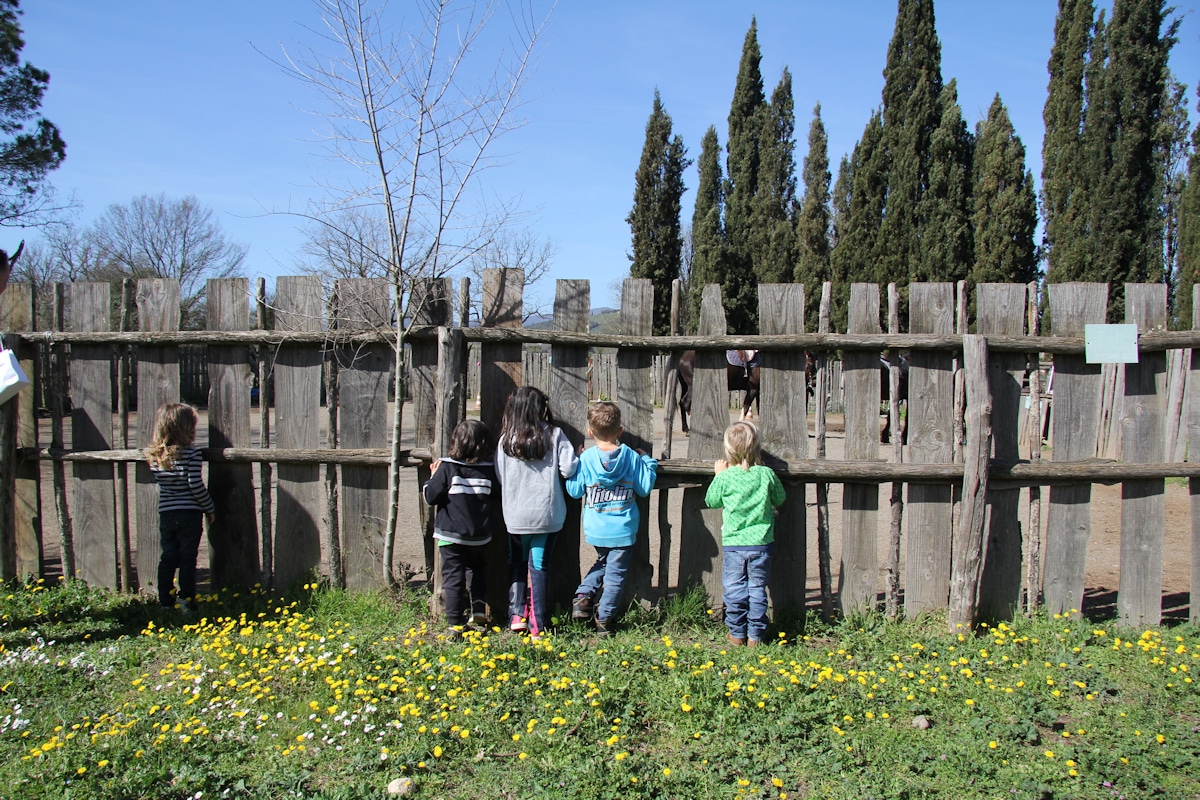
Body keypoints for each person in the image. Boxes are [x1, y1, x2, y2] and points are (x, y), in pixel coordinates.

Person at [494, 386, 579, 639]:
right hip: (546, 516)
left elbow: (500, 476)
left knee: (517, 563)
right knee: (539, 566)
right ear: (541, 408)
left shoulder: (505, 440)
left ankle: (517, 615)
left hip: (515, 517)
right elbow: (569, 469)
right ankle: (538, 624)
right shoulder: (554, 435)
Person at [567, 401, 657, 634]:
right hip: (623, 529)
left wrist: (576, 465)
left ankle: (583, 596)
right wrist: (648, 461)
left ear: (590, 432)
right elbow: (644, 487)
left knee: (604, 562)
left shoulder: (586, 460)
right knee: (615, 574)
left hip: (597, 528)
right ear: (620, 431)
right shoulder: (631, 456)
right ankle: (605, 618)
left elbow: (575, 491)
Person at [705, 420, 785, 646]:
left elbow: (711, 501)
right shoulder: (766, 474)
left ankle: (736, 632)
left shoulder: (727, 477)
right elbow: (780, 498)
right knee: (757, 589)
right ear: (756, 447)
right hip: (761, 544)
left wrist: (719, 475)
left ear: (728, 450)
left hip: (734, 545)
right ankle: (755, 636)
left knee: (734, 589)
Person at [421, 419, 496, 636]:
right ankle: (479, 608)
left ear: (457, 442)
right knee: (477, 569)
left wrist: (432, 477)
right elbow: (497, 496)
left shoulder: (447, 467)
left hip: (450, 535)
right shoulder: (489, 471)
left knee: (453, 577)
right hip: (479, 536)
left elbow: (430, 497)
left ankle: (455, 622)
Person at [145, 402, 215, 613]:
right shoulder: (191, 454)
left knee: (167, 557)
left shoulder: (156, 457)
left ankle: (165, 600)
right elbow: (195, 484)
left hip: (166, 513)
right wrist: (209, 507)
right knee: (187, 558)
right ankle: (187, 599)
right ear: (186, 428)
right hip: (189, 514)